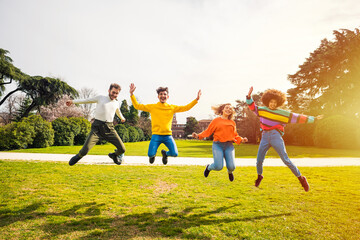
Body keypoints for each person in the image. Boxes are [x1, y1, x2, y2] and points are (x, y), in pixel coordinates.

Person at [246, 86, 323, 191]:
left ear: (278, 103)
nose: (272, 104)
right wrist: (249, 96)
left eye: (275, 102)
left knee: (286, 160)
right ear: (267, 101)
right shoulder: (262, 110)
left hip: (275, 136)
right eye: (271, 102)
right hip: (264, 136)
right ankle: (259, 176)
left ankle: (301, 178)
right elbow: (252, 107)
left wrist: (313, 119)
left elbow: (297, 117)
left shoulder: (282, 113)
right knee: (259, 160)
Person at [129, 83, 201, 164]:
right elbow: (137, 106)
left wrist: (196, 100)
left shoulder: (172, 108)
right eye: (161, 94)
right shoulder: (153, 107)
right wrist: (132, 94)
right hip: (156, 135)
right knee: (150, 155)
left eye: (164, 94)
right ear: (158, 96)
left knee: (174, 154)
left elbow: (186, 108)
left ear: (168, 97)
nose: (163, 96)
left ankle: (165, 154)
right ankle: (153, 155)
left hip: (167, 136)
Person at [66, 83, 126, 166]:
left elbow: (118, 111)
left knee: (122, 149)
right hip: (97, 128)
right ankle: (78, 156)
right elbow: (86, 100)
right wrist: (73, 102)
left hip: (109, 128)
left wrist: (122, 118)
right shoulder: (100, 98)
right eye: (113, 92)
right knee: (85, 150)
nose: (114, 95)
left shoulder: (116, 103)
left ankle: (114, 155)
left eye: (117, 93)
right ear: (109, 91)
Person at [192, 104, 248, 181]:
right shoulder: (216, 121)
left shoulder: (232, 123)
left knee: (232, 167)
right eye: (226, 108)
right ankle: (208, 167)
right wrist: (198, 136)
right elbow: (208, 131)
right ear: (222, 109)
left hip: (229, 146)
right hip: (218, 145)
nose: (228, 109)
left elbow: (235, 135)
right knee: (218, 167)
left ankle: (229, 172)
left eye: (230, 109)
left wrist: (242, 139)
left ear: (231, 112)